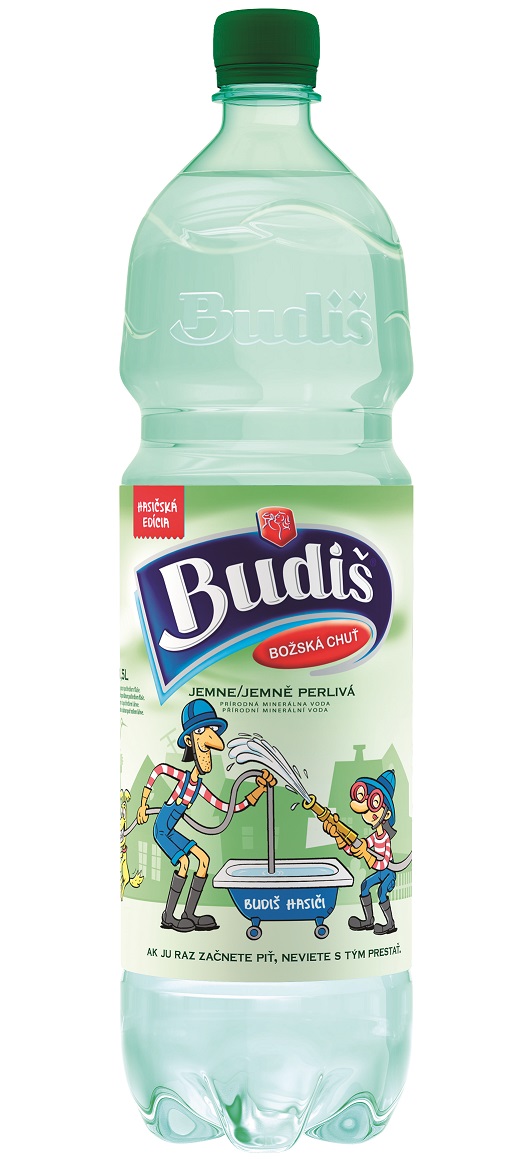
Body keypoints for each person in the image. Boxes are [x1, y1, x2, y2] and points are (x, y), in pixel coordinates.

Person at [137, 698, 276, 931]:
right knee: (184, 862)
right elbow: (157, 771)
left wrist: (259, 790)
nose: (210, 739)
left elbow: (228, 807)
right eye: (201, 731)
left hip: (171, 832)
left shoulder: (199, 788)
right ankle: (168, 916)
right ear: (189, 740)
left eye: (211, 729)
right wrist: (143, 805)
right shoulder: (181, 777)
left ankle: (189, 913)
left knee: (204, 860)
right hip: (161, 831)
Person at [322, 770, 398, 935]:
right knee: (365, 886)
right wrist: (338, 836)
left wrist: (365, 853)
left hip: (388, 872)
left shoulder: (385, 838)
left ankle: (390, 923)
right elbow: (355, 849)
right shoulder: (373, 837)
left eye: (374, 806)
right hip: (380, 872)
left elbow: (383, 863)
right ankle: (369, 920)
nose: (368, 814)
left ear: (387, 814)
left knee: (381, 893)